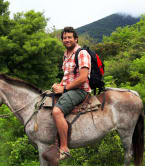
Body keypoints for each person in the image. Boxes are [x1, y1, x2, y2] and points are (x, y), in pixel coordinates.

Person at [52, 27, 91, 160]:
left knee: (57, 112)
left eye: (70, 37)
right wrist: (59, 85)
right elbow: (68, 76)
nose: (67, 40)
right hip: (68, 88)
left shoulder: (81, 53)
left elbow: (83, 77)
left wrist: (64, 89)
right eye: (64, 38)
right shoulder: (66, 54)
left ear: (76, 38)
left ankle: (64, 148)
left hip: (80, 90)